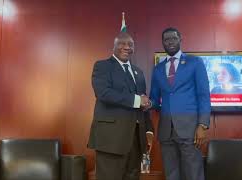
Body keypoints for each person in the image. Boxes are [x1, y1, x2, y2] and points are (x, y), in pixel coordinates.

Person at [88, 32, 154, 180]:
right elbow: (103, 93)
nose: (127, 47)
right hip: (111, 139)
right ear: (114, 47)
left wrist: (148, 129)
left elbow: (142, 102)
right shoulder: (102, 66)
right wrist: (137, 100)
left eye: (130, 44)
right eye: (122, 43)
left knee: (132, 176)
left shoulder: (139, 72)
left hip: (136, 139)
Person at [149, 27, 211, 180]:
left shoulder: (195, 62)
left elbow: (203, 95)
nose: (170, 42)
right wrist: (144, 102)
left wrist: (202, 125)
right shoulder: (157, 69)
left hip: (190, 129)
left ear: (180, 39)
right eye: (166, 39)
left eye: (173, 38)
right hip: (166, 130)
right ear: (162, 42)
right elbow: (155, 100)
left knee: (193, 173)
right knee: (171, 174)